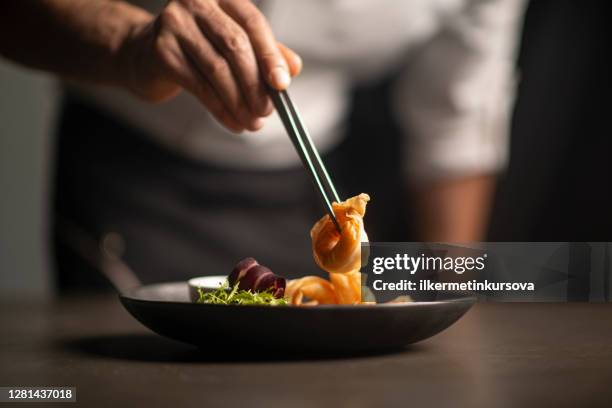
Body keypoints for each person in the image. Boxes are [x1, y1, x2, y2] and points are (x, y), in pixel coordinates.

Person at [1, 0, 526, 290]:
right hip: (130, 177)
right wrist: (129, 43)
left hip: (301, 187)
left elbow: (457, 118)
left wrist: (451, 299)